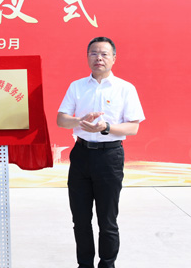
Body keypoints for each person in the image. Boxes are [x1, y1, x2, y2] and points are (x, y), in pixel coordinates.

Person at [57, 36, 145, 268]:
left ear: (114, 58)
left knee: (107, 221)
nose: (99, 58)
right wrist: (79, 120)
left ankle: (107, 264)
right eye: (94, 53)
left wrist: (106, 128)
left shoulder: (125, 88)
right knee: (80, 220)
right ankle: (84, 264)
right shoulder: (77, 87)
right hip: (81, 155)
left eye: (104, 54)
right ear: (87, 57)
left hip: (109, 157)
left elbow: (133, 127)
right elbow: (61, 119)